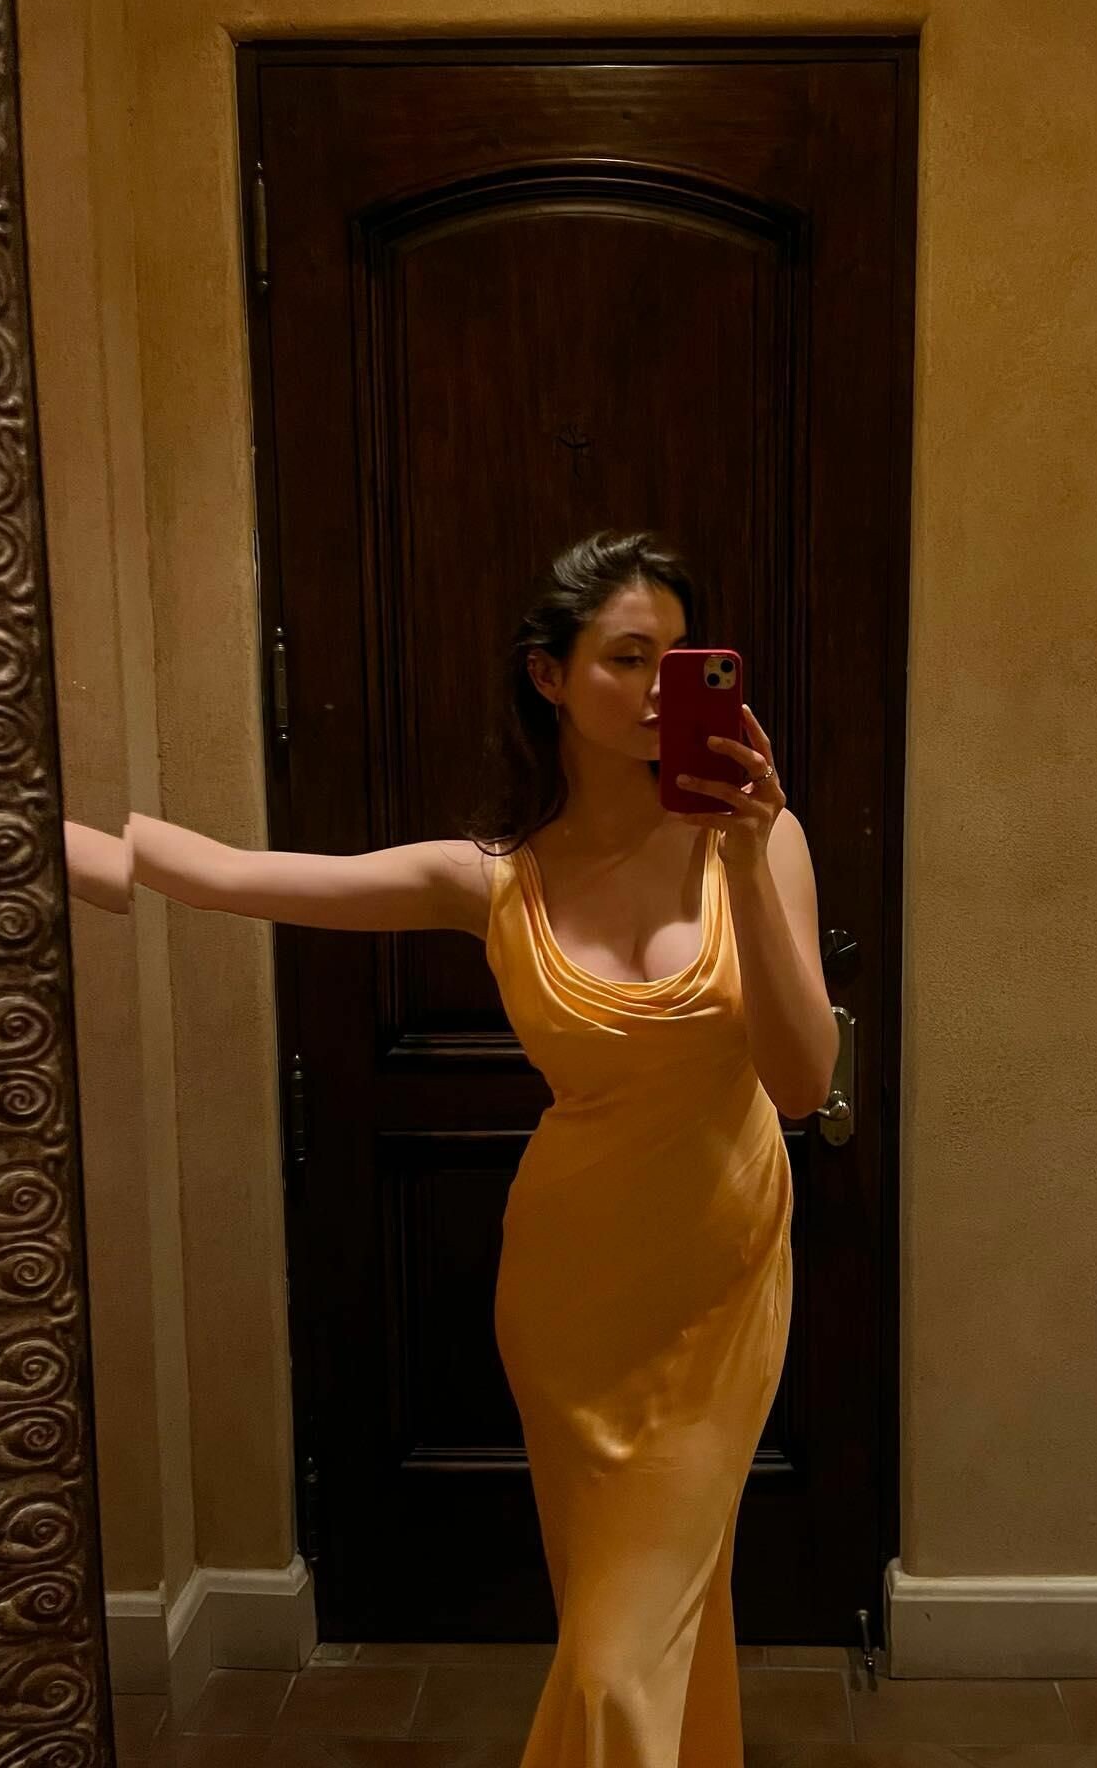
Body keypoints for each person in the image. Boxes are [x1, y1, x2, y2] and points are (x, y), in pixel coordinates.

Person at [64, 529, 835, 1767]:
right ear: (549, 676)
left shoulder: (759, 841)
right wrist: (34, 829)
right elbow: (239, 877)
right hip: (570, 1296)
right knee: (629, 1619)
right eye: (626, 658)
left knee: (617, 1651)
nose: (659, 690)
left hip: (721, 1280)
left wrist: (745, 857)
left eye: (680, 659)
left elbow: (800, 1083)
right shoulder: (493, 880)